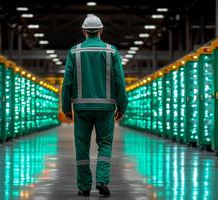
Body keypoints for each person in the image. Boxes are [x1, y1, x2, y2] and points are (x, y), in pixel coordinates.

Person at [61, 14, 128, 197]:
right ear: (101, 30)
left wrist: (66, 107)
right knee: (105, 144)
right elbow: (119, 82)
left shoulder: (74, 52)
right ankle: (101, 180)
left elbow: (67, 82)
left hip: (81, 108)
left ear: (84, 31)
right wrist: (122, 106)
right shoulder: (111, 52)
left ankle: (84, 186)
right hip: (106, 108)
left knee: (81, 146)